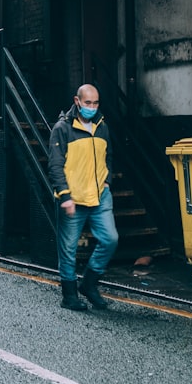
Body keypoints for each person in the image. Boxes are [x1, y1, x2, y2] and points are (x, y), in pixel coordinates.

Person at [47, 83, 119, 310]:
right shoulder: (62, 128)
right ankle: (69, 296)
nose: (92, 107)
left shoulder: (102, 126)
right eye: (88, 102)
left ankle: (88, 284)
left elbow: (108, 155)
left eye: (96, 102)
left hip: (99, 196)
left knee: (110, 239)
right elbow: (55, 165)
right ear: (77, 101)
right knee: (68, 249)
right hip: (73, 199)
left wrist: (107, 182)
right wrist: (65, 195)